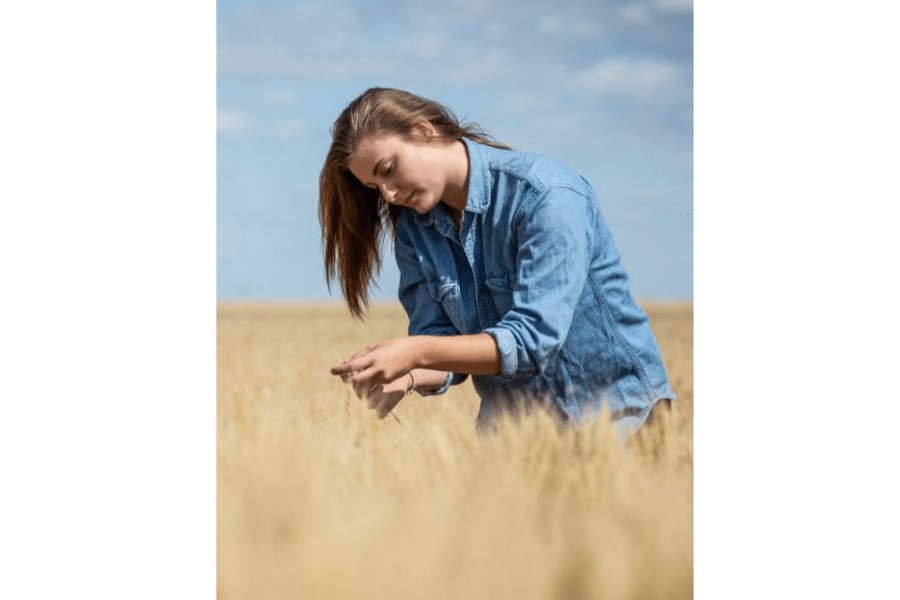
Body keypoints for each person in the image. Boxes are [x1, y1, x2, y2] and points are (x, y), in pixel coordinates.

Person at [321, 87, 676, 436]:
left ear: (423, 131)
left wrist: (414, 352)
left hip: (620, 427)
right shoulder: (415, 229)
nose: (389, 194)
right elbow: (443, 343)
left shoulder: (545, 195)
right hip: (513, 440)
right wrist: (407, 374)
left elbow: (533, 341)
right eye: (374, 187)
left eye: (389, 169)